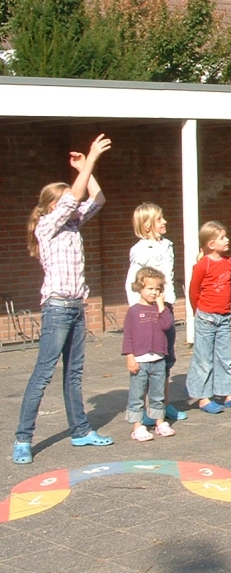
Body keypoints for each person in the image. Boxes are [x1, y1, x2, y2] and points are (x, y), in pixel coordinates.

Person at [14, 134, 116, 464]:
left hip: (76, 307)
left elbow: (96, 199)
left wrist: (86, 169)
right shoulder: (47, 226)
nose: (69, 203)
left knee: (73, 373)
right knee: (44, 372)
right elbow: (74, 197)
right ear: (50, 206)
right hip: (57, 307)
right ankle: (23, 438)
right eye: (62, 200)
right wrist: (90, 160)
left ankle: (81, 431)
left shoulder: (73, 225)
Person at [125, 202, 186, 426]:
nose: (165, 222)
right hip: (146, 311)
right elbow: (132, 281)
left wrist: (167, 303)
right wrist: (138, 311)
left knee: (165, 357)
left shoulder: (167, 245)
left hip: (165, 306)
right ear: (148, 224)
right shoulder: (141, 249)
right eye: (159, 219)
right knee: (145, 361)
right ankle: (141, 408)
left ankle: (161, 404)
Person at [186, 221, 231, 414]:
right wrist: (199, 312)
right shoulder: (202, 265)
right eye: (222, 237)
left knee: (225, 357)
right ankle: (203, 397)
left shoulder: (229, 262)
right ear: (211, 244)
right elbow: (194, 290)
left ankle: (226, 393)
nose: (227, 240)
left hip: (224, 317)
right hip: (206, 317)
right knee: (204, 358)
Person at [123, 267, 176, 442]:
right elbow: (128, 336)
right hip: (140, 360)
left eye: (157, 289)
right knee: (137, 394)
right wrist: (130, 356)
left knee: (158, 394)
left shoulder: (162, 310)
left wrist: (161, 306)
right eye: (150, 289)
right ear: (140, 288)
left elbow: (167, 326)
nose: (154, 293)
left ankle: (159, 422)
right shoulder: (134, 311)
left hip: (158, 360)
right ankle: (137, 426)